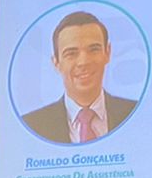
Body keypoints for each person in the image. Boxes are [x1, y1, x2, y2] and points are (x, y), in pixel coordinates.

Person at [20, 10, 138, 144]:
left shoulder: (135, 114)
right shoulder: (31, 125)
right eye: (71, 53)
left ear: (107, 53)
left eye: (93, 49)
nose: (83, 62)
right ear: (56, 63)